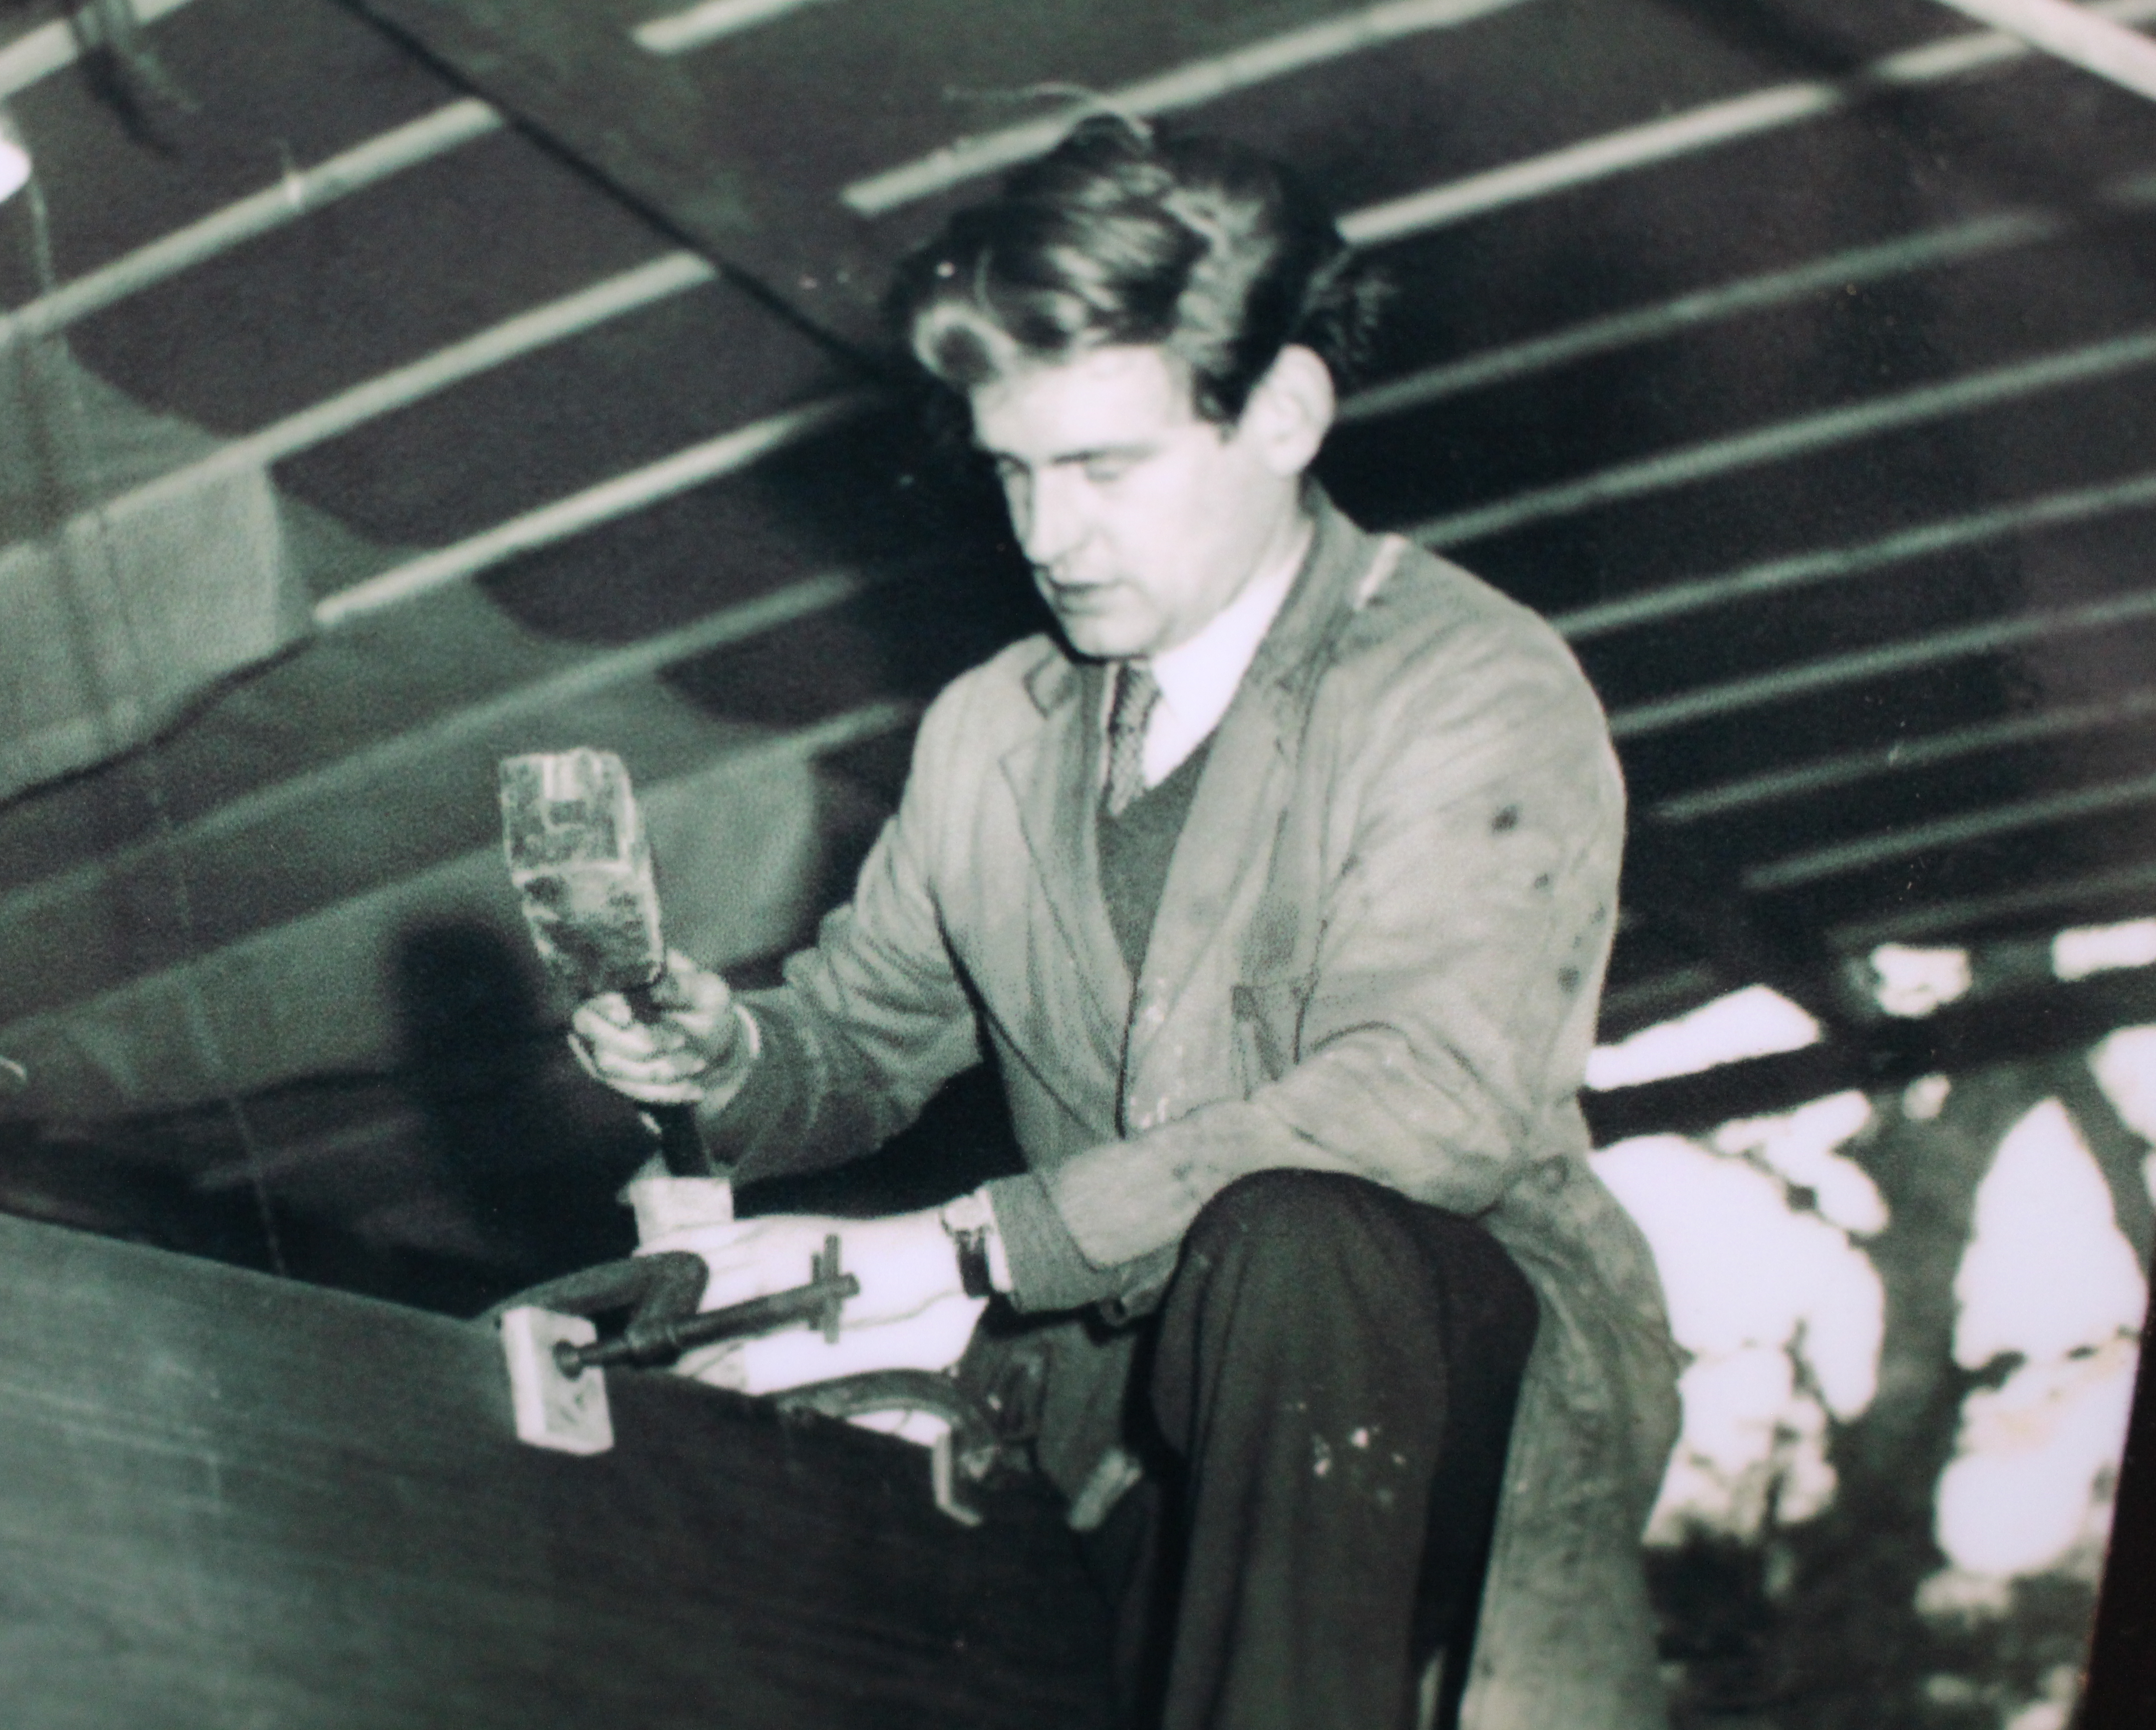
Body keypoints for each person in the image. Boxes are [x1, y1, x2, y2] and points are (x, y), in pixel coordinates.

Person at [570, 116, 1681, 1730]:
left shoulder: (1469, 685)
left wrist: (966, 1246)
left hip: (1433, 1396)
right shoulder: (989, 731)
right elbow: (863, 1045)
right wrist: (722, 1047)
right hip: (1120, 1412)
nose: (1046, 535)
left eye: (1106, 468)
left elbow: (1426, 1106)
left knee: (1297, 1242)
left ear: (1287, 410)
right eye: (1015, 470)